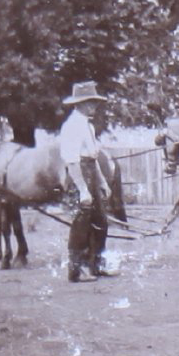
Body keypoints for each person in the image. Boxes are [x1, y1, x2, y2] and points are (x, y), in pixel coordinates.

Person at [59, 81, 116, 283]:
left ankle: (95, 264)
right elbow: (73, 161)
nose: (93, 106)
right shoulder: (71, 126)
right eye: (89, 102)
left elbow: (93, 157)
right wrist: (83, 189)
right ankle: (77, 270)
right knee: (81, 222)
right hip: (78, 174)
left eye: (94, 102)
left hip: (91, 169)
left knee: (100, 221)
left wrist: (101, 182)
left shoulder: (88, 126)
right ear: (79, 104)